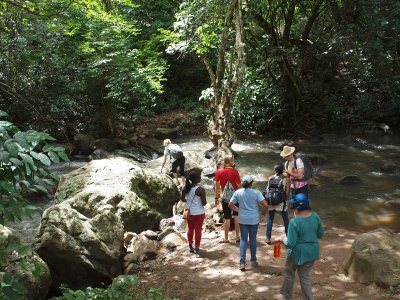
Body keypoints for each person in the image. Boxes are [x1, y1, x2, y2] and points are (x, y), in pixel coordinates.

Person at [274, 193, 324, 300]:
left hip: (297, 253)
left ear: (295, 208)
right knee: (305, 277)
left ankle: (286, 296)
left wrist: (281, 239)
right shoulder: (315, 216)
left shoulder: (294, 222)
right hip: (312, 252)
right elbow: (320, 234)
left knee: (289, 272)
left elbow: (290, 243)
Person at [229, 175, 268, 271]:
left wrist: (239, 210)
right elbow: (265, 205)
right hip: (253, 219)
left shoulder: (238, 192)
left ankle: (242, 263)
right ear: (251, 183)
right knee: (253, 239)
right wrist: (262, 215)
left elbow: (230, 204)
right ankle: (253, 261)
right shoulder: (256, 193)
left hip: (242, 219)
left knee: (243, 240)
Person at [214, 155, 241, 243]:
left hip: (225, 198)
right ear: (231, 162)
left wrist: (216, 197)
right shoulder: (235, 172)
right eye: (233, 160)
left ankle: (226, 238)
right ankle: (237, 237)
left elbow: (217, 186)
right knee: (236, 217)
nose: (234, 161)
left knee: (227, 218)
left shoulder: (219, 172)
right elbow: (239, 186)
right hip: (235, 198)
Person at [181, 171, 207, 254]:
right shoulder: (200, 189)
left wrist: (188, 200)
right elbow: (204, 203)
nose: (200, 178)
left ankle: (190, 246)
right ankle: (196, 247)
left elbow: (182, 199)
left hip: (189, 212)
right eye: (199, 177)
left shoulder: (185, 188)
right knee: (198, 230)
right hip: (199, 213)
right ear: (196, 179)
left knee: (190, 229)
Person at [265, 163, 290, 245]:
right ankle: (289, 237)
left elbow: (267, 190)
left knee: (270, 219)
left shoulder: (270, 178)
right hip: (281, 202)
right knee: (285, 219)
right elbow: (287, 193)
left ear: (275, 170)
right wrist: (283, 200)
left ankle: (268, 238)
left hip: (271, 201)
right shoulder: (286, 179)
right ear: (283, 170)